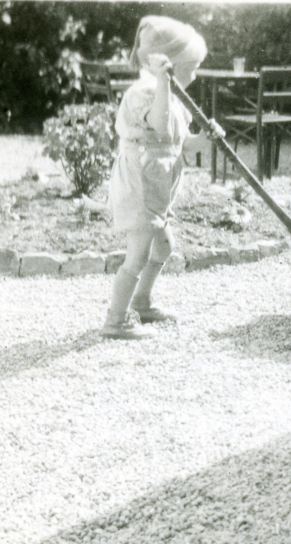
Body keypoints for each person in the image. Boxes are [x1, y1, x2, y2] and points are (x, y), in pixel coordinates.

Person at [102, 16, 223, 340]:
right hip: (140, 181)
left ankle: (141, 301)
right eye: (192, 65)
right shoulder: (145, 92)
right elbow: (157, 124)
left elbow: (179, 144)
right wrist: (163, 82)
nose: (195, 73)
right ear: (170, 64)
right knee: (138, 254)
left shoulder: (172, 98)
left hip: (158, 185)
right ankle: (115, 320)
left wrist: (206, 138)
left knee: (164, 246)